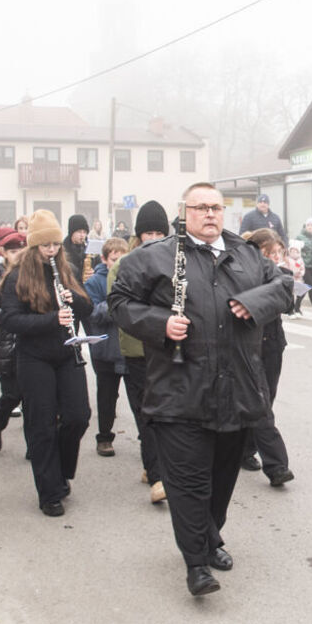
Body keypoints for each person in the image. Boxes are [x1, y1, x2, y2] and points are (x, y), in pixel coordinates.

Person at [109, 182, 293, 596]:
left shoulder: (245, 253)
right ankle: (196, 564)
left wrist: (256, 302)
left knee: (223, 479)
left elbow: (284, 287)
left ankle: (210, 538)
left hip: (237, 390)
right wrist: (158, 324)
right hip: (179, 392)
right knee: (189, 483)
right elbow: (119, 301)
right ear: (185, 212)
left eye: (215, 207)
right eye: (200, 207)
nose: (209, 214)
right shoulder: (155, 257)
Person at [0, 210, 93, 517]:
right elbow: (12, 320)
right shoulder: (17, 276)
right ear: (33, 245)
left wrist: (72, 299)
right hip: (34, 356)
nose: (52, 250)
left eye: (55, 244)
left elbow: (87, 306)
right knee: (41, 425)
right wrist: (52, 318)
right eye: (45, 245)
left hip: (67, 353)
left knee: (78, 416)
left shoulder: (67, 269)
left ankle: (62, 470)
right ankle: (49, 491)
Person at [107, 201, 170, 504]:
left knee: (168, 413)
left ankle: (156, 466)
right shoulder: (124, 264)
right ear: (138, 235)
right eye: (148, 232)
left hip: (168, 348)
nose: (154, 237)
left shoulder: (176, 261)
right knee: (147, 414)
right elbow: (119, 307)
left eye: (160, 231)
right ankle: (157, 476)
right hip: (136, 351)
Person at [237, 228, 295, 486]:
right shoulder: (244, 275)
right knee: (261, 404)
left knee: (266, 398)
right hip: (249, 345)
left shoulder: (283, 276)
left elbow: (289, 305)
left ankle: (244, 449)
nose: (274, 258)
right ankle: (277, 465)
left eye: (277, 253)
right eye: (269, 253)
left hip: (273, 345)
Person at [0, 227, 27, 456]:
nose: (17, 254)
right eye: (12, 251)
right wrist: (13, 315)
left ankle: (35, 445)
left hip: (29, 341)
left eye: (21, 249)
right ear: (3, 253)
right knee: (12, 394)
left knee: (32, 396)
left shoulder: (32, 273)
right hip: (7, 343)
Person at [84, 236, 129, 457]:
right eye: (114, 259)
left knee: (140, 399)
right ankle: (104, 437)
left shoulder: (133, 277)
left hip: (129, 349)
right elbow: (92, 313)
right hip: (105, 350)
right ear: (104, 259)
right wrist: (118, 304)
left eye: (123, 258)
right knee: (107, 397)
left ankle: (146, 440)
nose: (119, 263)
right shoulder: (93, 282)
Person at [295, 218, 312, 319]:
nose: (310, 227)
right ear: (305, 226)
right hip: (304, 265)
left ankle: (296, 306)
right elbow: (294, 251)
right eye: (308, 225)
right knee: (310, 285)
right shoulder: (299, 237)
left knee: (306, 286)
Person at [63, 213, 91, 288]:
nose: (82, 235)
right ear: (71, 232)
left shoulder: (90, 249)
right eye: (79, 232)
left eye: (84, 232)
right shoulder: (63, 250)